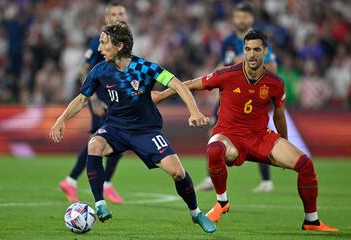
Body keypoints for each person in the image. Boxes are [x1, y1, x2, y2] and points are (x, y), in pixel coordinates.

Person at [154, 30, 338, 232]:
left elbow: (279, 116)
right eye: (248, 49)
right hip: (229, 136)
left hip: (259, 137)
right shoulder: (227, 73)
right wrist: (161, 96)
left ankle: (311, 221)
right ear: (244, 50)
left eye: (257, 50)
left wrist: (284, 141)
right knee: (214, 149)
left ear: (265, 51)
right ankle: (222, 202)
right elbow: (190, 84)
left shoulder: (276, 83)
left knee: (306, 165)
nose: (252, 54)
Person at [50, 22, 216, 233]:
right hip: (116, 129)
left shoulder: (145, 68)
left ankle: (196, 213)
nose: (99, 48)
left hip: (146, 131)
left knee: (177, 173)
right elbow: (82, 99)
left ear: (119, 46)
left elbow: (177, 84)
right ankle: (100, 204)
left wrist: (194, 111)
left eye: (103, 43)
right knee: (94, 145)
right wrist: (61, 120)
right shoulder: (100, 70)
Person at [196, 1, 277, 193]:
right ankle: (210, 177)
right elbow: (224, 68)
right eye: (238, 16)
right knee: (214, 133)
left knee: (258, 134)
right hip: (229, 97)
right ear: (234, 18)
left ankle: (266, 181)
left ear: (252, 18)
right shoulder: (228, 41)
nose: (241, 20)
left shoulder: (260, 42)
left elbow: (273, 69)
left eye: (245, 16)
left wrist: (247, 64)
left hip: (253, 96)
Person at [59, 2, 128, 204]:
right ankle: (80, 181)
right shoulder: (100, 41)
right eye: (113, 14)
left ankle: (77, 181)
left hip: (116, 100)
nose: (118, 16)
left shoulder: (124, 40)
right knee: (104, 141)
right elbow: (83, 69)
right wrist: (94, 99)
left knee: (115, 141)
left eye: (121, 13)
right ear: (107, 18)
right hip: (100, 100)